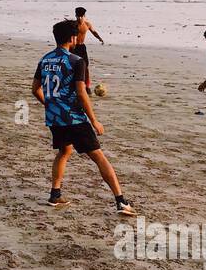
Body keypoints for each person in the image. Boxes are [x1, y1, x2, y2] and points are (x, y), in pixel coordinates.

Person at [32, 19, 134, 214]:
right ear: (72, 38)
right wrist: (94, 120)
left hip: (55, 118)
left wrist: (51, 105)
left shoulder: (44, 60)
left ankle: (55, 195)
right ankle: (121, 201)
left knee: (64, 151)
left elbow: (35, 89)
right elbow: (81, 92)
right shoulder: (76, 61)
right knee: (99, 157)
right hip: (74, 118)